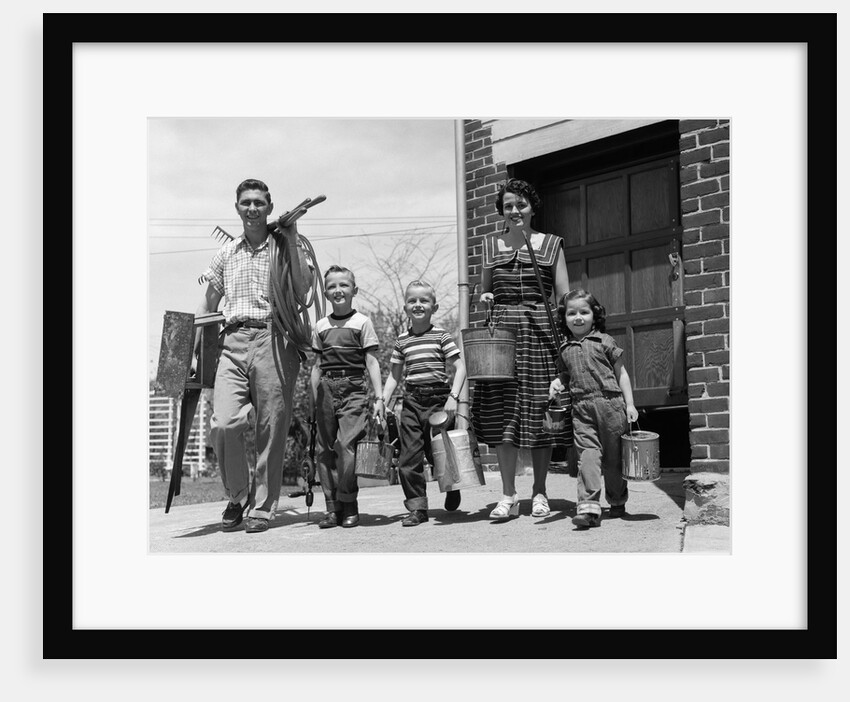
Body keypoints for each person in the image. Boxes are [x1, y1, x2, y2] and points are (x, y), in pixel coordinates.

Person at [194, 178, 313, 534]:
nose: (252, 208)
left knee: (270, 427)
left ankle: (262, 506)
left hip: (274, 337)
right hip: (232, 341)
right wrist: (194, 349)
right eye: (245, 202)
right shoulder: (226, 253)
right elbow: (208, 304)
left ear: (270, 207)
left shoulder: (283, 246)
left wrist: (291, 236)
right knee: (224, 422)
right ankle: (237, 495)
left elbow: (304, 287)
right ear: (237, 208)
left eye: (259, 202)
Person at [472, 178, 572, 521]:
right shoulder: (489, 246)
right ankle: (508, 494)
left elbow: (563, 297)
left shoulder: (552, 244)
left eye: (521, 204)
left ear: (533, 207)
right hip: (501, 339)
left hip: (541, 333)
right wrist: (484, 297)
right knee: (503, 414)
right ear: (502, 210)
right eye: (508, 206)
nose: (515, 211)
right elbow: (484, 292)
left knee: (539, 410)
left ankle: (540, 491)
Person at [378, 280, 467, 526]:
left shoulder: (442, 336)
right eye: (412, 301)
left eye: (424, 300)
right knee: (409, 457)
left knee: (438, 452)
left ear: (434, 307)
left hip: (439, 401)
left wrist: (454, 398)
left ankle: (451, 487)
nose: (418, 305)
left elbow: (460, 368)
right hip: (412, 401)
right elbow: (395, 375)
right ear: (405, 307)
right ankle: (417, 507)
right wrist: (382, 402)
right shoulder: (402, 340)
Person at [548, 289, 639, 529]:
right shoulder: (565, 348)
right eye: (571, 313)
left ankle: (617, 500)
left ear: (594, 315)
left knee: (613, 460)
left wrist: (629, 404)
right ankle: (588, 509)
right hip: (581, 408)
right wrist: (558, 382)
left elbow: (622, 373)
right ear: (564, 318)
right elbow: (565, 375)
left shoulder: (605, 341)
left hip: (611, 405)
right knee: (587, 456)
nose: (578, 317)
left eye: (584, 312)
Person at [309, 265, 383, 529]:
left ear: (354, 290)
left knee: (346, 446)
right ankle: (332, 508)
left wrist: (380, 398)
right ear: (326, 293)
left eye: (343, 285)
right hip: (326, 388)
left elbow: (372, 362)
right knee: (324, 450)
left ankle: (349, 502)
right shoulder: (320, 326)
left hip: (353, 387)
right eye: (331, 286)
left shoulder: (362, 322)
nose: (337, 290)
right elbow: (317, 366)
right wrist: (312, 398)